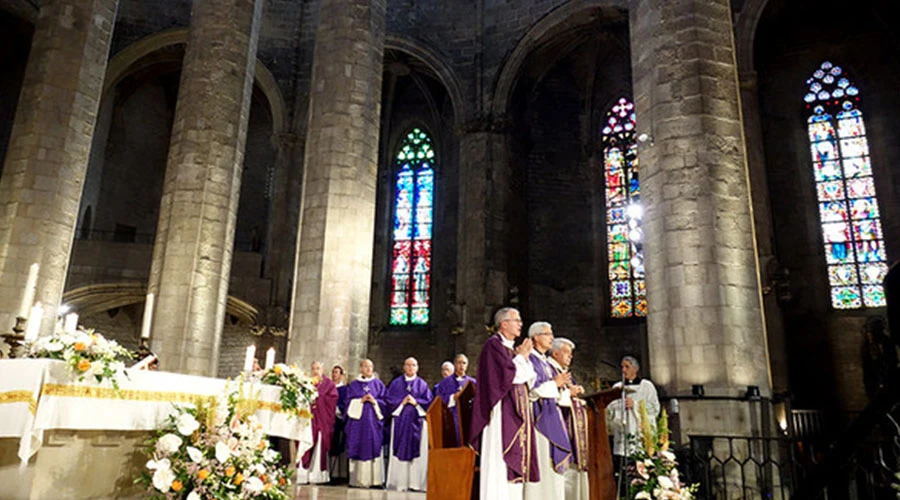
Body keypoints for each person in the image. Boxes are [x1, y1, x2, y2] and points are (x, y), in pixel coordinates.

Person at [469, 307, 539, 500]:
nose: (520, 324)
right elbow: (509, 376)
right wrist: (522, 357)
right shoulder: (493, 346)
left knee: (515, 462)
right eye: (516, 320)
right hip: (501, 412)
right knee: (500, 460)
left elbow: (530, 377)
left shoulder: (510, 348)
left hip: (515, 409)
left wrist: (521, 357)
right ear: (504, 323)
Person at [524, 322, 572, 500]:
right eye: (547, 334)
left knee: (551, 467)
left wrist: (563, 389)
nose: (551, 337)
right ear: (536, 337)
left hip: (551, 414)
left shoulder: (543, 361)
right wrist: (555, 384)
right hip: (539, 419)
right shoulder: (530, 359)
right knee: (543, 463)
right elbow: (532, 391)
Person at [548, 338, 589, 500]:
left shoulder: (563, 372)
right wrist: (568, 393)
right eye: (566, 353)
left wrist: (577, 391)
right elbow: (549, 395)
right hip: (559, 427)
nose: (570, 357)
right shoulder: (550, 370)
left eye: (571, 354)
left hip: (572, 430)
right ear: (556, 353)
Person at [607, 355, 659, 480]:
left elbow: (654, 408)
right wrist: (620, 404)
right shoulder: (617, 388)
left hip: (641, 437)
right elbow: (610, 410)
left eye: (627, 367)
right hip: (622, 436)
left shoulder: (646, 386)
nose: (623, 370)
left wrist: (635, 405)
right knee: (623, 475)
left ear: (635, 369)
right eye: (622, 367)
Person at [385, 357, 432, 491]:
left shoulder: (422, 384)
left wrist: (416, 402)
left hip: (417, 424)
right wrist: (402, 402)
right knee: (399, 449)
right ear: (404, 367)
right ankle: (399, 483)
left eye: (413, 365)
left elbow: (429, 402)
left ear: (417, 368)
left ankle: (416, 484)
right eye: (408, 365)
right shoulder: (396, 383)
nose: (411, 367)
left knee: (418, 454)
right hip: (400, 423)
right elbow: (389, 401)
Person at [345, 359, 386, 488]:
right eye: (366, 366)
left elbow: (386, 402)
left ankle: (375, 481)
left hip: (373, 423)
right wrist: (360, 401)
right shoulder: (354, 385)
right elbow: (347, 402)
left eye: (371, 366)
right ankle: (356, 480)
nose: (369, 369)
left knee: (373, 446)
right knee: (358, 446)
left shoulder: (378, 384)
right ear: (361, 368)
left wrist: (375, 402)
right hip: (358, 424)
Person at [297, 361, 339, 484]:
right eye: (313, 368)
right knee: (305, 444)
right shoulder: (306, 383)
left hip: (322, 420)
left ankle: (317, 475)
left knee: (320, 445)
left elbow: (332, 400)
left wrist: (318, 397)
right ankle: (303, 475)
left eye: (318, 368)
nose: (316, 371)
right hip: (308, 420)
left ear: (323, 369)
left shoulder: (329, 384)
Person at [433, 354, 476, 446]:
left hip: (468, 417)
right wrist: (452, 397)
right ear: (455, 364)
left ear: (467, 365)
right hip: (451, 415)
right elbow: (438, 399)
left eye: (464, 363)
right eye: (459, 363)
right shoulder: (445, 382)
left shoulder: (472, 382)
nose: (461, 365)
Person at [329, 365, 350, 482]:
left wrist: (337, 409)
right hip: (328, 422)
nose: (334, 375)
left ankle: (339, 475)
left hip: (339, 421)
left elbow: (346, 405)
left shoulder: (344, 390)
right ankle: (330, 473)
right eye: (333, 372)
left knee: (339, 445)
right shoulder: (328, 388)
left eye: (337, 372)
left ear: (342, 375)